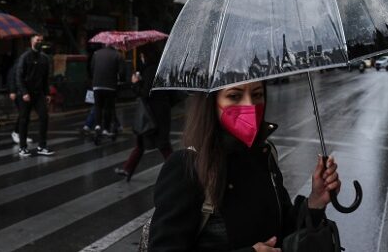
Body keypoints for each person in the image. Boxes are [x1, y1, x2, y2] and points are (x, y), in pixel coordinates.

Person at [148, 81, 341, 251]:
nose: (249, 104)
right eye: (234, 96)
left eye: (257, 94)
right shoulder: (186, 167)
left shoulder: (264, 155)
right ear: (211, 102)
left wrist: (315, 202)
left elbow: (283, 230)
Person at [115, 45, 173, 181]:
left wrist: (135, 83)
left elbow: (145, 93)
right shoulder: (158, 69)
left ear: (146, 56)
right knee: (142, 142)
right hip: (157, 112)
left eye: (142, 55)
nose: (141, 58)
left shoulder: (151, 70)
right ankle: (127, 169)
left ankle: (178, 171)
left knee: (163, 145)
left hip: (153, 114)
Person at [16, 34, 54, 157]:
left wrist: (47, 93)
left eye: (42, 40)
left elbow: (45, 78)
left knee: (44, 117)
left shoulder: (44, 58)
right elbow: (19, 76)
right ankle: (22, 147)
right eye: (38, 40)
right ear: (32, 42)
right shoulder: (25, 57)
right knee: (24, 120)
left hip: (39, 94)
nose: (40, 42)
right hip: (26, 93)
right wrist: (24, 92)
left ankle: (41, 146)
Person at [91, 44, 126, 137]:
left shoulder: (96, 54)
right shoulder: (118, 55)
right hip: (110, 86)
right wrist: (121, 80)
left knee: (97, 106)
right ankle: (106, 129)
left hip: (97, 84)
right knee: (108, 107)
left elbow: (92, 68)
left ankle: (97, 126)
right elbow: (122, 72)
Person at [7, 56, 33, 145]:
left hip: (25, 92)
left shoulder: (26, 66)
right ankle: (17, 133)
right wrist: (12, 91)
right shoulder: (17, 67)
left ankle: (21, 134)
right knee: (23, 114)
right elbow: (12, 79)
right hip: (19, 93)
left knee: (25, 114)